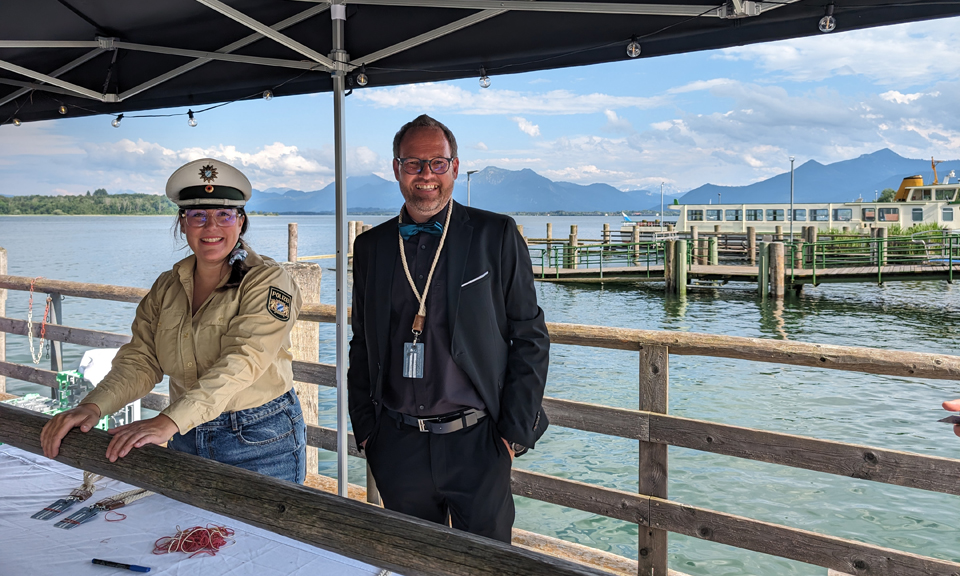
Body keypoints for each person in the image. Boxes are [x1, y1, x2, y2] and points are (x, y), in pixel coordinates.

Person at [40, 158, 307, 484]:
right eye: (198, 216)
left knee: (264, 535)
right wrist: (94, 407)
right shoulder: (168, 285)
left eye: (224, 215)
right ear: (183, 223)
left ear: (241, 222)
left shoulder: (267, 280)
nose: (211, 227)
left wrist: (169, 421)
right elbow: (141, 360)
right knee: (188, 532)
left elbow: (243, 362)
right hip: (185, 432)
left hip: (258, 437)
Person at [348, 115, 550, 543]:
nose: (426, 175)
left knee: (488, 565)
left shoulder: (495, 234)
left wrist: (513, 431)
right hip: (397, 443)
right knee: (415, 561)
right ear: (396, 168)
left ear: (455, 168)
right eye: (413, 163)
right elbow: (362, 343)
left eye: (437, 164)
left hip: (478, 440)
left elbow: (529, 335)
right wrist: (367, 431)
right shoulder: (371, 247)